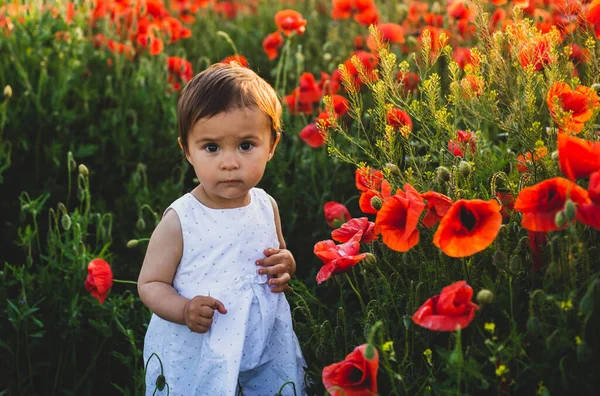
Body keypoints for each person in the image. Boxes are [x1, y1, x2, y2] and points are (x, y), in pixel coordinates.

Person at [138, 63, 306, 396]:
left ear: (271, 145)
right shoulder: (181, 219)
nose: (229, 162)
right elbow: (150, 283)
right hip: (200, 341)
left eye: (246, 145)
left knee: (277, 387)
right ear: (187, 150)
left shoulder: (265, 205)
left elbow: (278, 255)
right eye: (211, 148)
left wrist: (286, 264)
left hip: (264, 335)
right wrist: (184, 310)